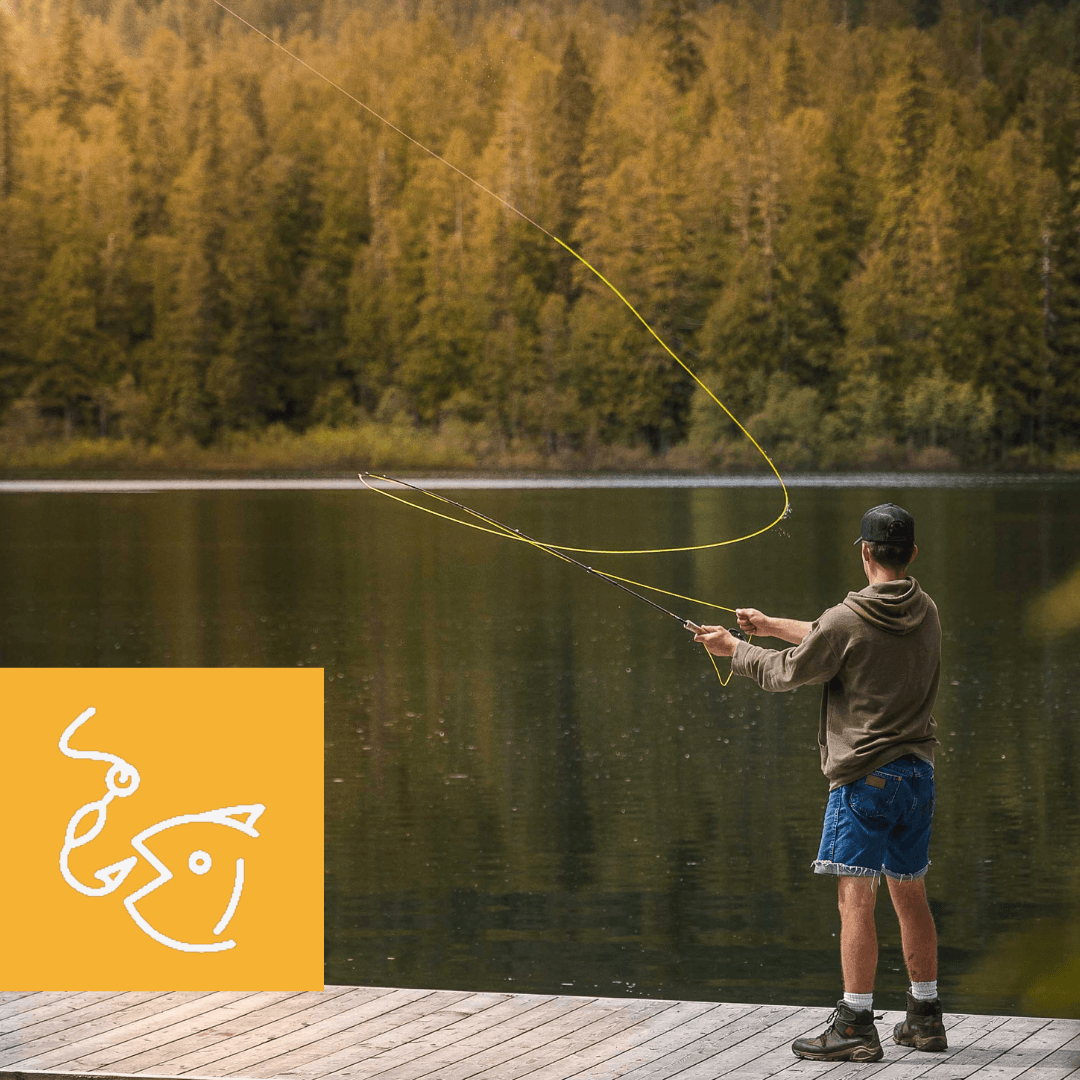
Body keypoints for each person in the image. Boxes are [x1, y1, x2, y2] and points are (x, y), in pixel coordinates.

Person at [691, 503, 948, 1063]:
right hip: (918, 777)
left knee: (855, 899)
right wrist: (768, 625)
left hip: (864, 781)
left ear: (864, 552)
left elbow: (788, 672)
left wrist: (735, 649)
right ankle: (925, 1018)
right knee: (910, 891)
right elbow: (828, 638)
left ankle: (856, 1023)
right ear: (912, 555)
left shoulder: (846, 618)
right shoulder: (924, 610)